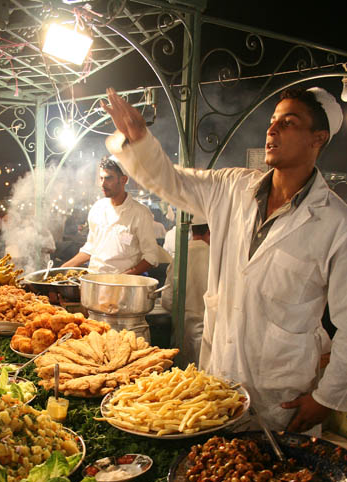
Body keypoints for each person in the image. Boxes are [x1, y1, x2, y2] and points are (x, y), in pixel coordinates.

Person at [102, 85, 347, 435]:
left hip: (282, 396)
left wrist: (326, 398)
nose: (272, 130)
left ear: (318, 138)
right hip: (218, 385)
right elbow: (171, 181)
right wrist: (139, 138)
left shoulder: (336, 223)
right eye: (273, 120)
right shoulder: (232, 187)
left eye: (288, 123)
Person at [62, 156, 158, 274]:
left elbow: (151, 256)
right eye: (101, 178)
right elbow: (91, 246)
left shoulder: (140, 213)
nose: (103, 184)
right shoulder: (97, 208)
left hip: (123, 287)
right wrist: (63, 268)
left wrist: (121, 279)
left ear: (123, 180)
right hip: (94, 280)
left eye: (108, 178)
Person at [162, 224, 210, 366]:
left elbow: (167, 301)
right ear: (209, 232)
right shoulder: (216, 257)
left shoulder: (180, 257)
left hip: (184, 332)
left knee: (185, 377)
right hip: (211, 332)